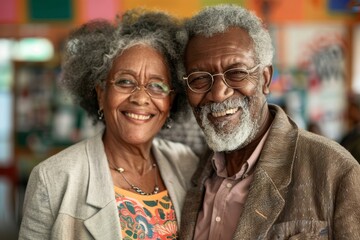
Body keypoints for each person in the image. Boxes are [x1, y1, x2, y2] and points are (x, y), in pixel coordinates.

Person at [177, 4, 360, 239]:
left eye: (237, 73)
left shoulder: (335, 171)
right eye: (200, 78)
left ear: (265, 79)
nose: (218, 93)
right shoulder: (189, 172)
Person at [18, 9, 199, 240]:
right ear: (101, 94)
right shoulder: (53, 178)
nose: (140, 98)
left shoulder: (188, 164)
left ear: (171, 101)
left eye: (157, 86)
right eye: (125, 81)